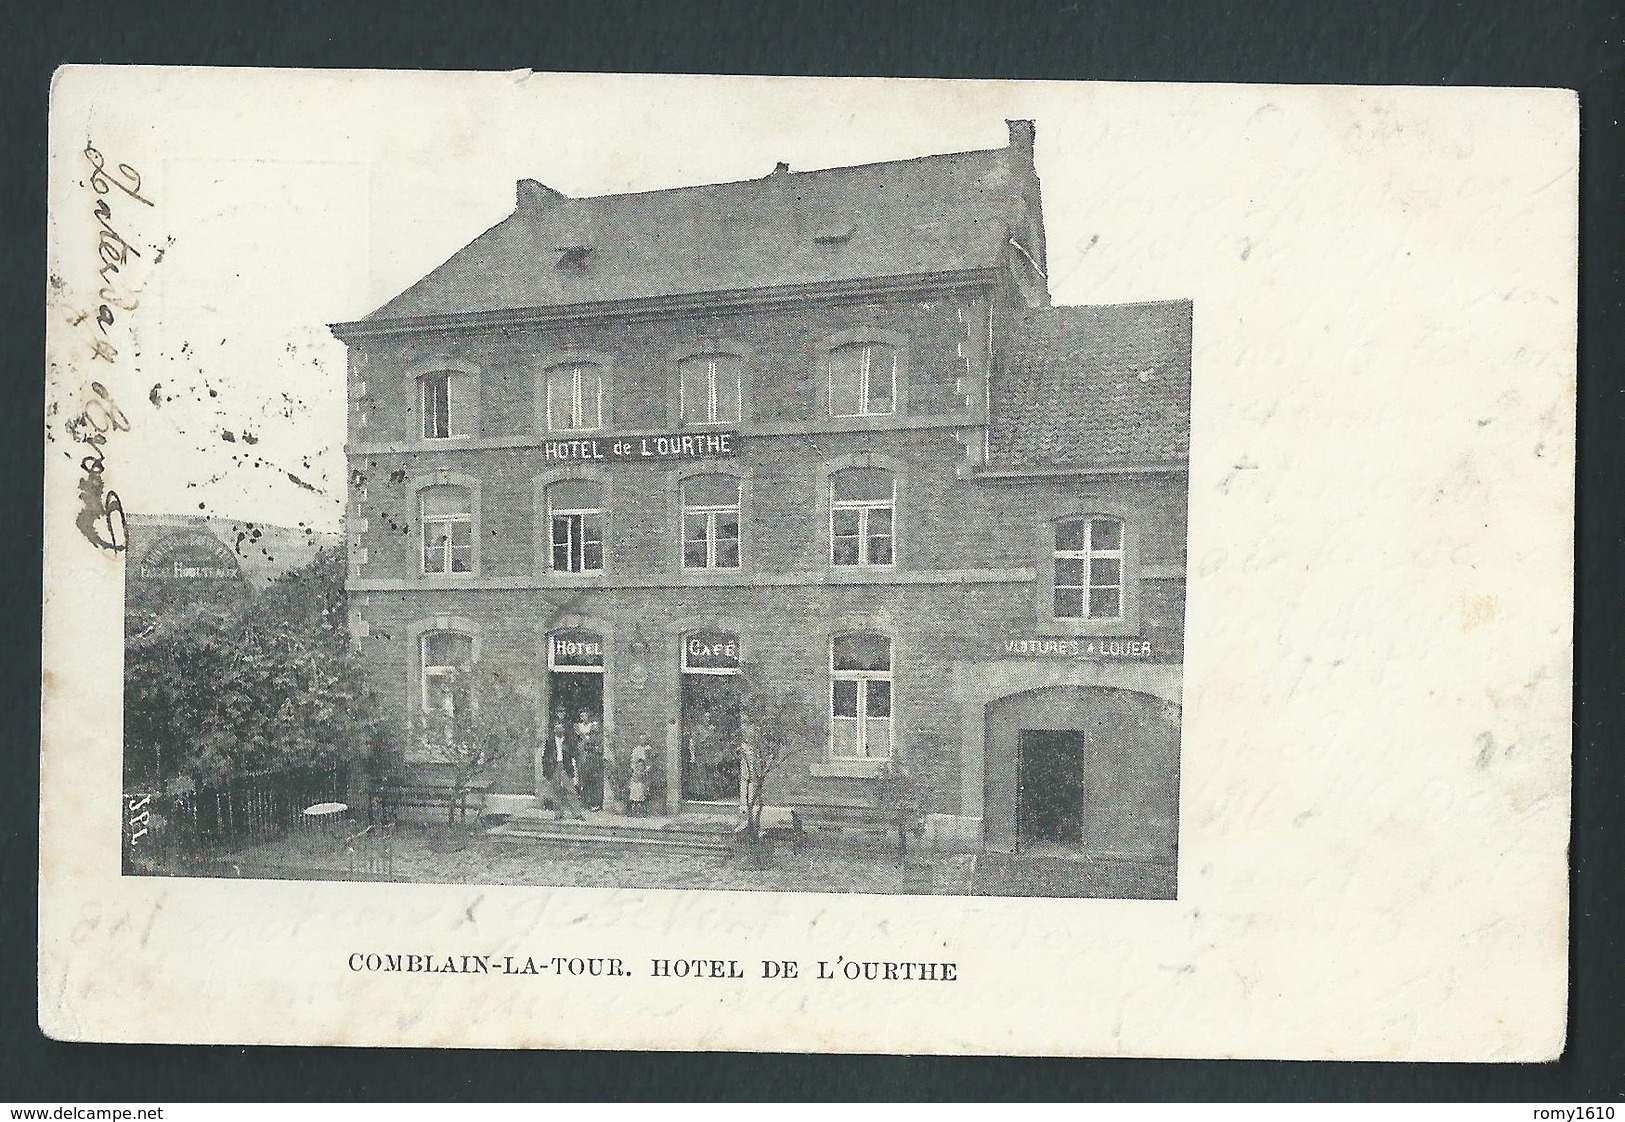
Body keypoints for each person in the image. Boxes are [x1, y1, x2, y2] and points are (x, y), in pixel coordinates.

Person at [628, 741, 653, 816]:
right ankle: (634, 811)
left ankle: (642, 811)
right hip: (636, 781)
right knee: (635, 795)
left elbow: (649, 762)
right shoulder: (637, 750)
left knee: (643, 794)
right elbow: (633, 762)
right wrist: (636, 769)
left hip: (643, 780)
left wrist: (646, 769)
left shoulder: (648, 749)